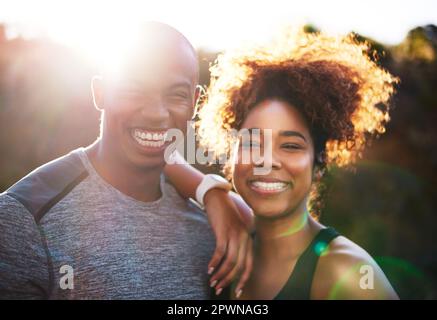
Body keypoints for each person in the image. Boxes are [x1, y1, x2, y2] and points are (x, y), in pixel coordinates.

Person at [0, 22, 252, 299]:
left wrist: (211, 192)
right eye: (134, 90)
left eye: (176, 95)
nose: (157, 113)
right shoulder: (24, 217)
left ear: (194, 103)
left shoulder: (210, 231)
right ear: (100, 92)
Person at [192, 28, 400, 299]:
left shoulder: (348, 271)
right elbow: (162, 161)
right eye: (252, 143)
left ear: (319, 162)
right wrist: (211, 193)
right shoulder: (227, 236)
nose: (267, 161)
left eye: (290, 146)